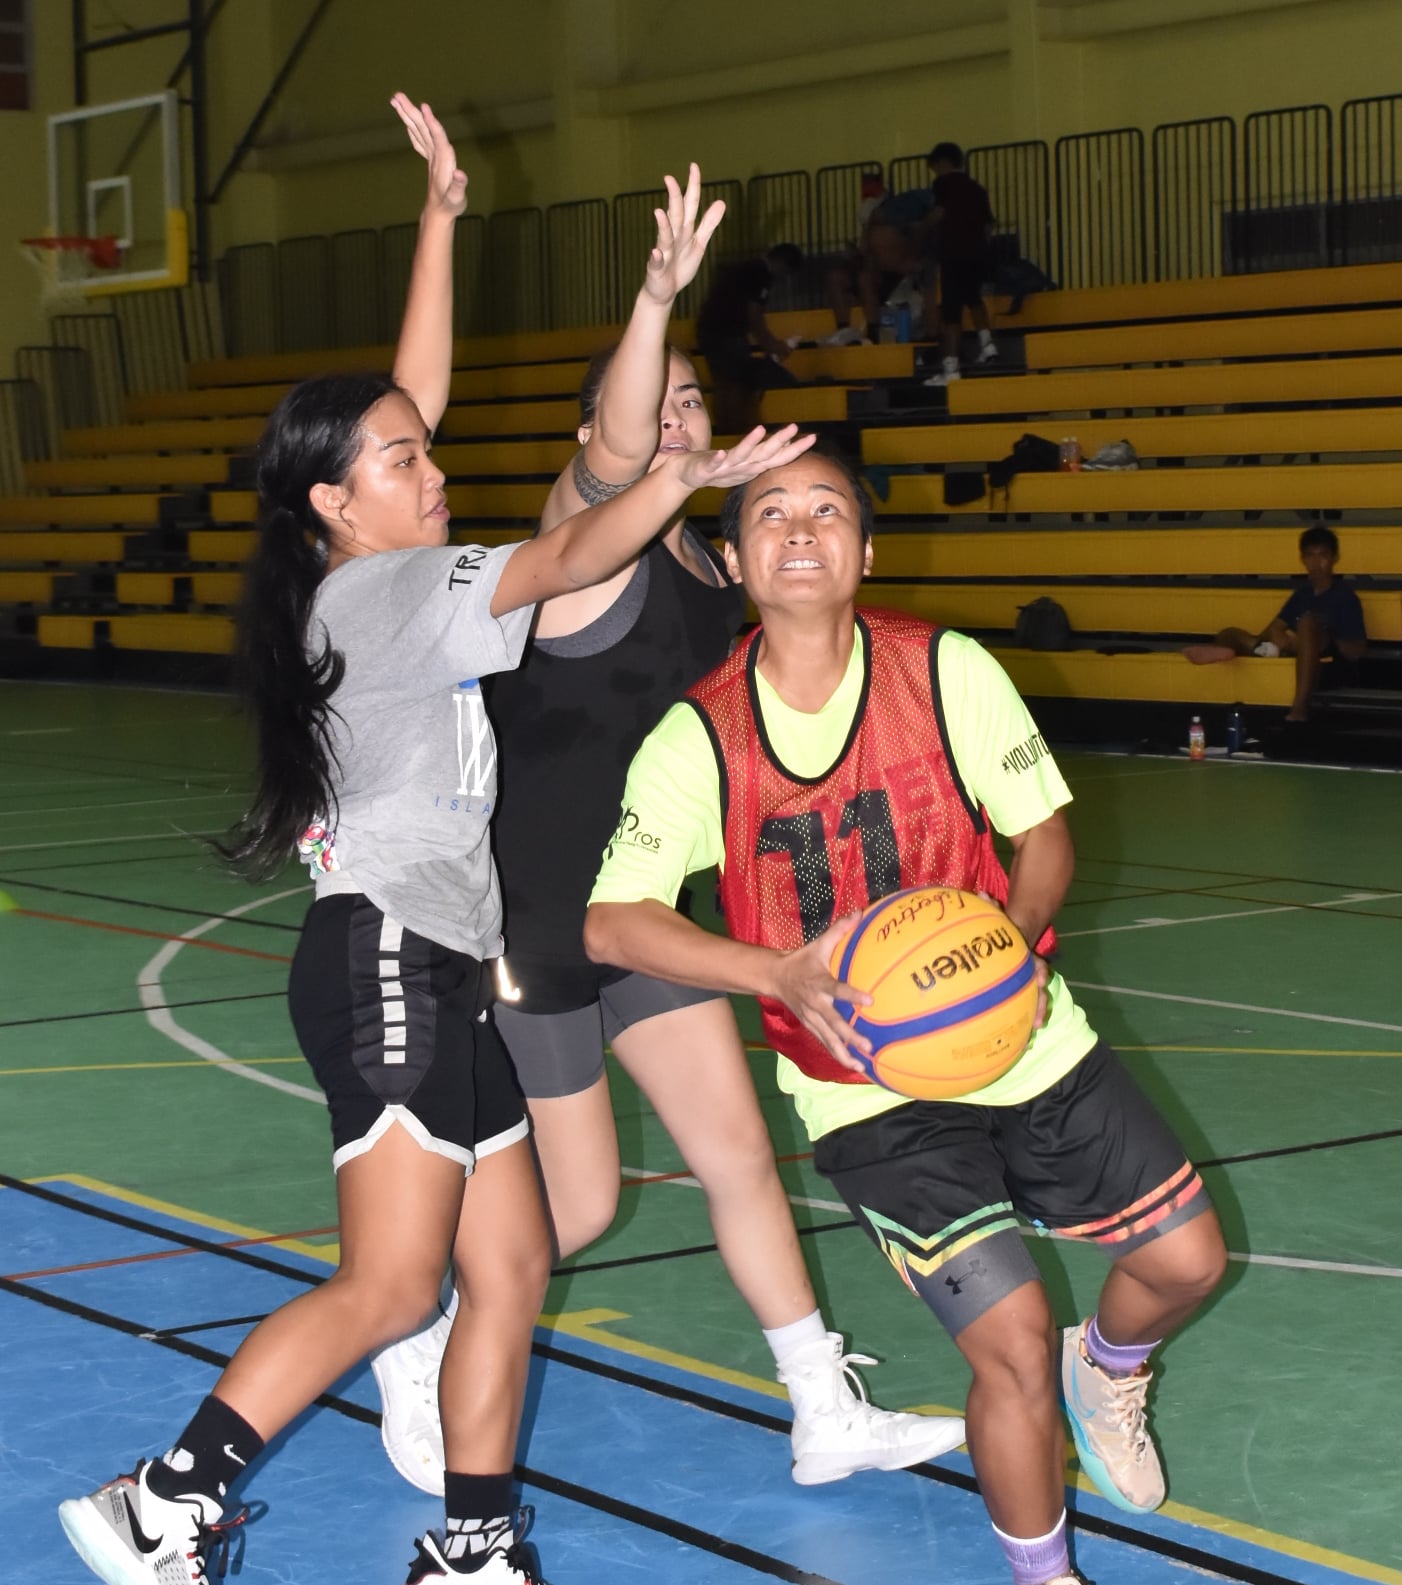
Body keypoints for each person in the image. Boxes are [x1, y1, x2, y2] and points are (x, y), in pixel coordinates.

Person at [54, 99, 820, 1585]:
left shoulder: (367, 562)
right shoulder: (388, 590)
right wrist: (678, 474)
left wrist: (439, 222)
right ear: (337, 504)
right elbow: (562, 558)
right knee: (395, 1278)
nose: (433, 466)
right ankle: (162, 1502)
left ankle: (473, 1560)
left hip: (446, 970)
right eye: (404, 463)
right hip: (387, 961)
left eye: (426, 452)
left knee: (512, 1263)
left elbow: (409, 401)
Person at [583, 447, 1228, 1585]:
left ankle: (1111, 1366)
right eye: (771, 514)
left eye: (827, 510)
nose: (801, 530)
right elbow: (614, 919)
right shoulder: (701, 736)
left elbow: (1041, 832)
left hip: (1022, 1037)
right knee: (1006, 1346)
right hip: (864, 1087)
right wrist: (771, 970)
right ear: (734, 561)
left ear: (866, 551)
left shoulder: (944, 670)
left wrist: (1012, 949)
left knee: (1187, 1262)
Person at [371, 165, 966, 1501]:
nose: (681, 417)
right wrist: (654, 300)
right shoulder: (583, 544)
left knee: (739, 1153)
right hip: (530, 918)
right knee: (578, 1203)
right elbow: (613, 459)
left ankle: (821, 1406)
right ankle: (420, 1334)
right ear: (607, 428)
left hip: (639, 910)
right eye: (660, 402)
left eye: (699, 400)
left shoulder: (710, 568)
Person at [1183, 524, 1368, 721]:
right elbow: (1274, 627)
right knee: (1230, 633)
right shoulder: (1302, 594)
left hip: (1327, 656)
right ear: (1303, 559)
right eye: (1310, 556)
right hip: (1289, 647)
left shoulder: (1345, 596)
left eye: (1322, 555)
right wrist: (1278, 639)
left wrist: (1312, 636)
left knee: (1307, 622)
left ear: (1334, 558)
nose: (1316, 562)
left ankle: (1299, 708)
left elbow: (1356, 650)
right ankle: (1226, 647)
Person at [696, 240, 805, 432]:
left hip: (708, 330)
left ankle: (725, 429)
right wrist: (771, 345)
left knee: (722, 383)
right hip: (729, 332)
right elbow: (754, 314)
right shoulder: (761, 274)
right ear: (782, 264)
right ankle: (737, 429)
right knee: (738, 382)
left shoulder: (743, 268)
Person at [826, 175, 935, 345]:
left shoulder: (900, 228)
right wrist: (855, 256)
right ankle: (843, 329)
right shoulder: (871, 232)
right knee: (836, 277)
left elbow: (906, 261)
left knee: (865, 278)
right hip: (870, 270)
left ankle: (873, 332)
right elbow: (864, 256)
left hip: (888, 277)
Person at [922, 142, 998, 387]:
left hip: (953, 252)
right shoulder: (977, 188)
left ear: (942, 163)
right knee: (973, 298)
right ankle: (988, 345)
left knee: (951, 312)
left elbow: (939, 213)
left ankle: (951, 369)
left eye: (935, 167)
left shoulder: (943, 184)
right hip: (977, 253)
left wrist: (920, 228)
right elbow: (988, 226)